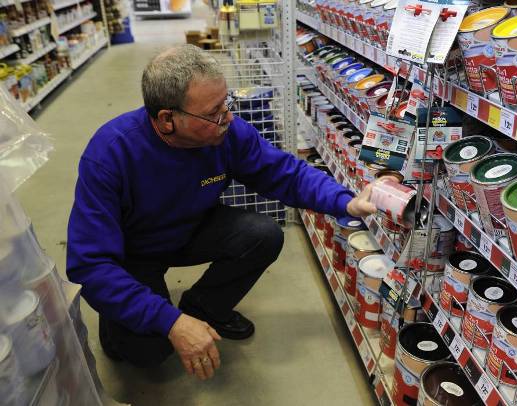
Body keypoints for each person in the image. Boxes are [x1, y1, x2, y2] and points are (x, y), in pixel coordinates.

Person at [66, 44, 377, 381]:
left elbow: (283, 173)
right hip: (134, 251)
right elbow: (90, 264)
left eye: (226, 103)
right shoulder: (111, 154)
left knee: (263, 235)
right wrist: (170, 322)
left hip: (191, 228)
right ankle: (122, 327)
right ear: (168, 120)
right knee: (149, 351)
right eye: (213, 112)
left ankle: (202, 310)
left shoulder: (227, 134)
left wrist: (345, 202)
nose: (227, 117)